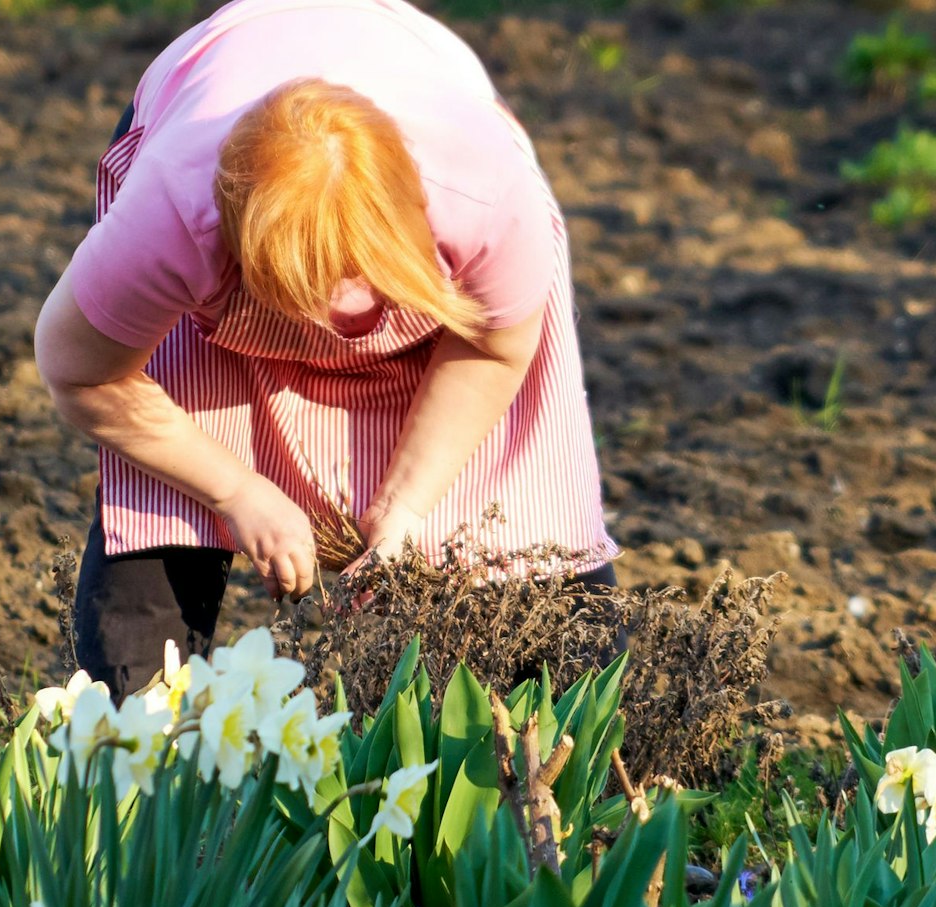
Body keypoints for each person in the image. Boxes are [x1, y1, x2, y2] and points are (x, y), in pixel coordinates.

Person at [33, 0, 617, 696]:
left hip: (445, 194)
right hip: (207, 187)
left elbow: (494, 348)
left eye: (359, 273)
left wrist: (406, 507)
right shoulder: (171, 215)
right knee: (144, 630)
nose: (340, 312)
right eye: (307, 285)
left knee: (527, 543)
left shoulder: (486, 193)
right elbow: (83, 374)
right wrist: (236, 489)